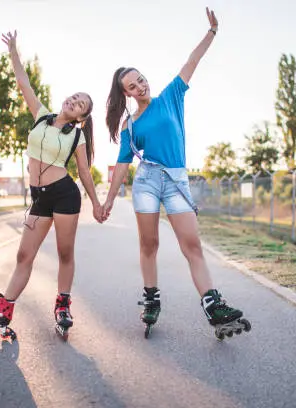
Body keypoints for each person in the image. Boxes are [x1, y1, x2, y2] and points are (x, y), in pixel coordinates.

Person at [102, 8, 250, 339]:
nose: (139, 86)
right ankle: (151, 299)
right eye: (132, 85)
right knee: (150, 243)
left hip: (176, 181)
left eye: (140, 79)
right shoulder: (130, 125)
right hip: (147, 182)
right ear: (125, 93)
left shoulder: (170, 96)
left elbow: (191, 62)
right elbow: (123, 165)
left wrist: (211, 32)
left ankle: (214, 305)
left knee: (191, 245)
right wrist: (109, 200)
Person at [0, 30, 102, 341]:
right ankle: (2, 312)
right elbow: (23, 83)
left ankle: (62, 305)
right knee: (24, 257)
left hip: (65, 196)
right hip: (38, 199)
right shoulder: (41, 116)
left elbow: (83, 171)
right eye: (75, 96)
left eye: (80, 104)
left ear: (81, 117)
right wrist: (14, 50)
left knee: (65, 254)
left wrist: (95, 202)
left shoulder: (76, 137)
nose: (74, 101)